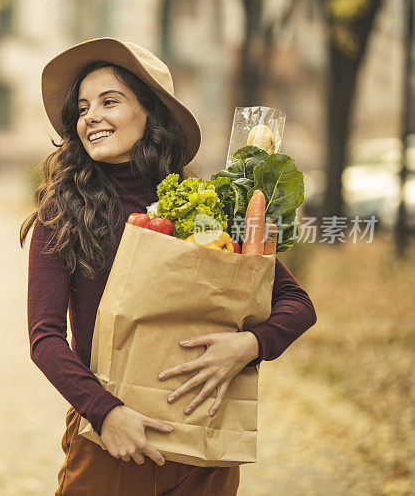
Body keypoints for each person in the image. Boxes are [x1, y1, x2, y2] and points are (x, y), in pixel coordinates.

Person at [19, 38, 317, 495]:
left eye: (109, 101)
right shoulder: (64, 212)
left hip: (206, 444)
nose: (90, 116)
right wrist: (107, 413)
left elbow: (297, 303)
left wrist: (250, 345)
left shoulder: (207, 208)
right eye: (82, 107)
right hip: (112, 443)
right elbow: (45, 338)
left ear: (150, 112)